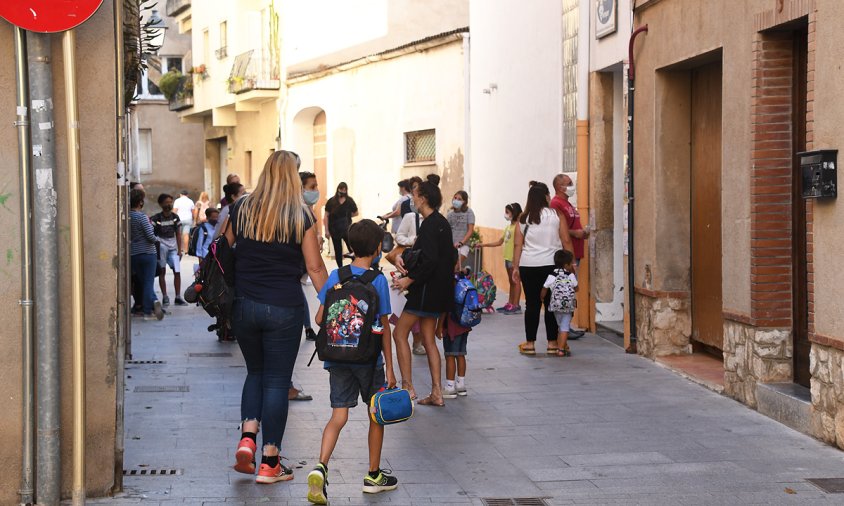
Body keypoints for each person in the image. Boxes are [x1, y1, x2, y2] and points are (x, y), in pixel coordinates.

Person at [225, 150, 328, 484]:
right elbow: (314, 267)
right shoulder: (301, 216)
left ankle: (247, 438)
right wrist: (329, 302)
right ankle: (270, 462)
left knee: (255, 372)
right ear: (291, 177)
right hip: (284, 308)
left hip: (244, 305)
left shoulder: (241, 207)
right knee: (276, 381)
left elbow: (222, 252)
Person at [307, 219, 398, 504]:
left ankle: (321, 466)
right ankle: (373, 475)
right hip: (369, 362)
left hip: (337, 359)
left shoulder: (336, 275)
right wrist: (392, 371)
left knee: (338, 416)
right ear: (375, 248)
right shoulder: (378, 280)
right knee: (375, 415)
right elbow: (384, 329)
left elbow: (320, 319)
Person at [391, 181, 456, 406]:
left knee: (399, 333)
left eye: (415, 194)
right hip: (438, 291)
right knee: (428, 339)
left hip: (425, 291)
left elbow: (429, 260)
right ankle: (437, 392)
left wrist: (409, 279)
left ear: (424, 198)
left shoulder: (429, 225)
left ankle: (407, 387)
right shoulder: (441, 223)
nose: (413, 198)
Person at [511, 181, 574, 355]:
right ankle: (552, 343)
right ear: (546, 196)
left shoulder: (523, 219)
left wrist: (515, 267)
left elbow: (517, 245)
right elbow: (566, 240)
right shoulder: (556, 215)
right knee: (550, 304)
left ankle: (530, 343)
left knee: (532, 304)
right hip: (551, 265)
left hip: (529, 265)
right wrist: (571, 263)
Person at [550, 174, 590, 338]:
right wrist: (577, 233)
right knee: (565, 291)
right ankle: (563, 328)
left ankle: (566, 327)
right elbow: (560, 229)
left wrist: (582, 233)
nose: (572, 185)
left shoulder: (568, 204)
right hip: (566, 255)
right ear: (560, 187)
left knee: (569, 291)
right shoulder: (556, 203)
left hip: (576, 252)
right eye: (569, 183)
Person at [478, 202, 523, 314]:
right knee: (511, 282)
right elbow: (499, 242)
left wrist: (515, 260)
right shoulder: (508, 227)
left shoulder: (518, 227)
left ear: (514, 213)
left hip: (514, 259)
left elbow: (520, 245)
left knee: (516, 281)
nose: (505, 214)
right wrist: (483, 245)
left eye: (507, 212)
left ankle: (516, 306)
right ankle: (510, 303)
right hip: (507, 258)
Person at [129, 189, 163, 321]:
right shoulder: (142, 217)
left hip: (134, 254)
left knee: (143, 282)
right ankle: (148, 311)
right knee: (149, 282)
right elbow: (150, 236)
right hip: (148, 253)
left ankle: (153, 301)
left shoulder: (127, 216)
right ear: (140, 202)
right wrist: (157, 240)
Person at [150, 193, 187, 307]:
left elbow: (178, 233)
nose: (169, 204)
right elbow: (152, 233)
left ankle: (177, 297)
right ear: (161, 204)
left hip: (173, 246)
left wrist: (179, 250)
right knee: (162, 271)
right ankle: (165, 296)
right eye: (166, 202)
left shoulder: (175, 217)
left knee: (177, 271)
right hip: (161, 246)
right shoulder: (156, 218)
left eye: (170, 202)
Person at [541, 249, 578, 357]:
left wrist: (542, 297)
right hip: (567, 305)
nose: (572, 265)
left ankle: (561, 345)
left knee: (560, 326)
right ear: (566, 264)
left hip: (556, 305)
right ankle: (561, 349)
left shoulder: (552, 275)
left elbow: (545, 288)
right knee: (565, 327)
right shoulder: (570, 275)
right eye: (571, 263)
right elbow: (576, 288)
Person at [300, 171, 322, 342]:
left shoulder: (307, 209)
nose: (316, 190)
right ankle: (308, 327)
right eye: (312, 187)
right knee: (299, 293)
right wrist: (328, 299)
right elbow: (315, 267)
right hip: (303, 263)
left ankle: (308, 327)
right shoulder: (300, 212)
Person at [438, 306, 472, 399]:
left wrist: (439, 326)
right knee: (461, 354)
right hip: (464, 323)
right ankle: (461, 385)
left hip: (451, 327)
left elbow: (444, 310)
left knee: (450, 356)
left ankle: (450, 386)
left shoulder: (449, 291)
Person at [324, 182, 359, 268]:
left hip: (347, 229)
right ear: (338, 189)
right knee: (338, 250)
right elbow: (326, 216)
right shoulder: (331, 201)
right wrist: (326, 230)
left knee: (352, 248)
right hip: (334, 230)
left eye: (344, 189)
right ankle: (340, 268)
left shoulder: (349, 201)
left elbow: (356, 212)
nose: (342, 191)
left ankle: (355, 265)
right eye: (341, 189)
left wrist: (346, 216)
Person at [447, 191, 476, 267]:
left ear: (464, 202)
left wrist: (461, 243)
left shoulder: (469, 212)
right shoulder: (450, 214)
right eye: (455, 198)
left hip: (463, 246)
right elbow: (447, 230)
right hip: (451, 246)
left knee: (456, 267)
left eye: (459, 199)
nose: (456, 200)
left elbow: (470, 230)